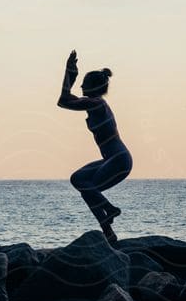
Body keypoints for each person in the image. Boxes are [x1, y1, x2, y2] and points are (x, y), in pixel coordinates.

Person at [57, 50, 132, 245]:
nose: (81, 86)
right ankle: (108, 229)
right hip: (113, 159)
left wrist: (68, 73)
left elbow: (63, 101)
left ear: (92, 87)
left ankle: (110, 211)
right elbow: (65, 99)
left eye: (84, 83)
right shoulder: (94, 103)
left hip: (119, 159)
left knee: (85, 186)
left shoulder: (97, 103)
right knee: (78, 179)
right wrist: (70, 74)